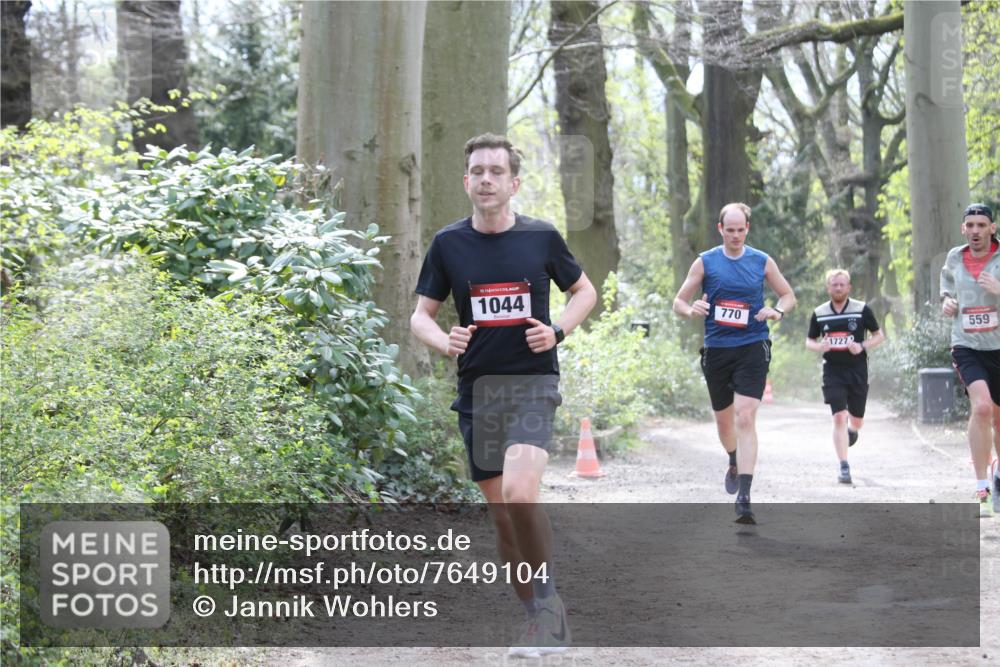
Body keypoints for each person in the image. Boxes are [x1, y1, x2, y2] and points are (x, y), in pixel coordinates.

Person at [410, 133, 597, 655]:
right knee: (503, 520)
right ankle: (535, 616)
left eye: (496, 171)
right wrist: (444, 339)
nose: (486, 179)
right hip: (479, 390)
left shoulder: (541, 238)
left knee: (520, 493)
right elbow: (420, 316)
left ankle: (548, 608)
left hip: (534, 383)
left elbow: (585, 291)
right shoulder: (449, 244)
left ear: (513, 183)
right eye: (478, 171)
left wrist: (557, 330)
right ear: (465, 180)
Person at [672, 202, 796, 524]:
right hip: (718, 349)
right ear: (720, 229)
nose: (736, 235)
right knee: (725, 425)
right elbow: (678, 301)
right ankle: (732, 457)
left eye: (741, 230)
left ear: (747, 229)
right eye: (731, 230)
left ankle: (745, 496)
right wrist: (691, 310)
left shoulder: (762, 261)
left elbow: (788, 296)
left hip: (753, 345)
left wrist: (777, 311)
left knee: (745, 417)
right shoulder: (706, 262)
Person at [941, 202, 1000, 518]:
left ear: (992, 228)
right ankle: (981, 485)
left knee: (999, 418)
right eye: (971, 225)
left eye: (982, 225)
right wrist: (947, 303)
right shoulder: (954, 257)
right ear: (964, 229)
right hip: (966, 345)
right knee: (981, 407)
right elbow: (946, 292)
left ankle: (998, 472)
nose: (976, 230)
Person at [805, 269, 885, 484]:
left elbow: (879, 336)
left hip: (857, 371)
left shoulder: (861, 310)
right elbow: (809, 341)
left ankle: (852, 429)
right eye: (834, 284)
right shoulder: (820, 312)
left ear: (849, 287)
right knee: (838, 416)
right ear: (828, 287)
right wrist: (819, 346)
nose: (838, 288)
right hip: (832, 370)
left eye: (842, 284)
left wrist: (862, 345)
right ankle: (844, 466)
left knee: (856, 420)